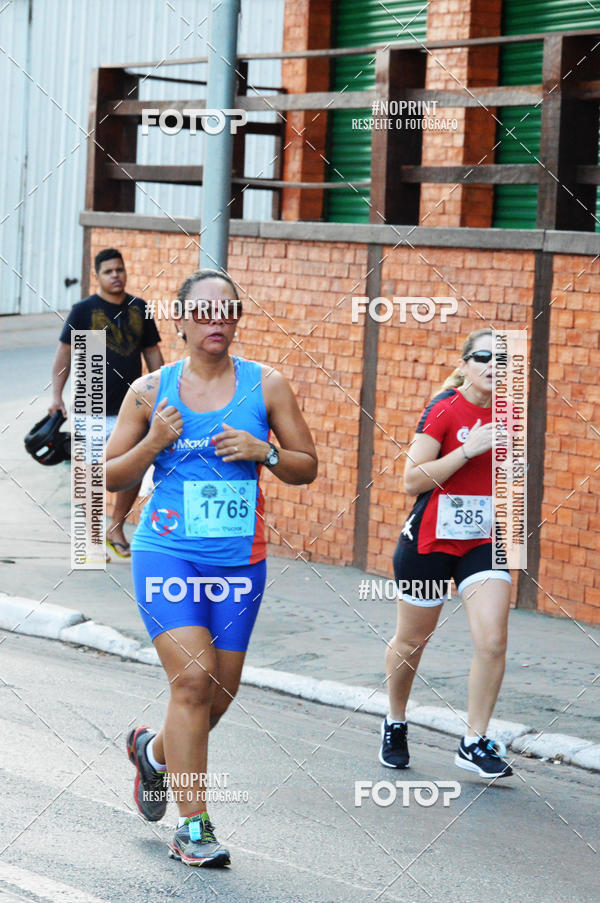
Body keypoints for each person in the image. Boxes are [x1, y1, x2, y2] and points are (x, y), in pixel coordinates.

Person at [105, 269, 318, 867]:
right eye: (202, 311)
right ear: (180, 321)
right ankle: (193, 828)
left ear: (238, 318)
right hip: (167, 554)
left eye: (226, 310)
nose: (215, 319)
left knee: (218, 696)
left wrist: (266, 453)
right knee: (193, 682)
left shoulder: (267, 386)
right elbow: (108, 474)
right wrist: (153, 444)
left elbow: (307, 466)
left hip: (239, 564)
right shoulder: (150, 392)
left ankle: (152, 755)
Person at [380, 328, 513, 779]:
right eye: (484, 357)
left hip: (482, 542)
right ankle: (395, 721)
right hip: (429, 543)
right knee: (412, 641)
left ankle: (473, 740)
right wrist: (467, 450)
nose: (494, 366)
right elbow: (412, 480)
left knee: (493, 638)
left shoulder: (510, 413)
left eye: (503, 359)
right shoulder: (444, 409)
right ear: (465, 364)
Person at [49, 248, 163, 559]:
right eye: (109, 271)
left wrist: (163, 392)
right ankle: (90, 538)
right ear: (97, 276)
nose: (116, 275)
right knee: (90, 475)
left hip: (132, 408)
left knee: (134, 470)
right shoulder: (84, 310)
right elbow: (65, 353)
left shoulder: (139, 308)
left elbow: (152, 352)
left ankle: (116, 528)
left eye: (120, 270)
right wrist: (57, 395)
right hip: (90, 404)